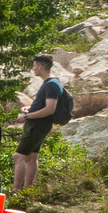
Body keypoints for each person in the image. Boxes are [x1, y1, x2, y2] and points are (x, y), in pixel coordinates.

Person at [13, 53, 68, 192]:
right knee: (32, 157)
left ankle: (16, 190)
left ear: (40, 66)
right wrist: (30, 108)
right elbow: (45, 105)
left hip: (38, 125)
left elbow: (50, 109)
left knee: (18, 156)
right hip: (39, 124)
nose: (33, 68)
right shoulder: (51, 83)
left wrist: (26, 117)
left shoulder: (51, 85)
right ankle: (27, 190)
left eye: (34, 65)